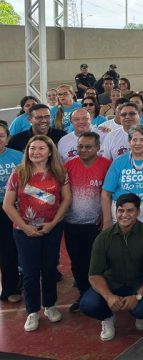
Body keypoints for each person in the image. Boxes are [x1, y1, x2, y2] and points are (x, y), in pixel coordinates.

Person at [2, 135, 71, 331]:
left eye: (41, 148)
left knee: (50, 268)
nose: (36, 152)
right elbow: (8, 205)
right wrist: (25, 228)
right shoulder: (19, 173)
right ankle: (32, 311)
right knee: (30, 272)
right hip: (24, 232)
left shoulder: (59, 172)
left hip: (52, 229)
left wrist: (52, 224)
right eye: (32, 149)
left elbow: (66, 200)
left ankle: (50, 305)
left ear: (50, 152)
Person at [80, 193, 143, 341]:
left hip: (138, 284)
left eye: (130, 211)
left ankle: (141, 314)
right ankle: (107, 316)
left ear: (138, 212)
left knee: (141, 310)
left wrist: (138, 296)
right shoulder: (103, 238)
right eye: (120, 210)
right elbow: (94, 275)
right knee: (87, 304)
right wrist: (108, 296)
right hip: (112, 283)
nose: (124, 215)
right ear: (115, 211)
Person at [63, 132, 111, 312]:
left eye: (88, 146)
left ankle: (100, 293)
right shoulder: (68, 166)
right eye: (80, 146)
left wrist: (106, 215)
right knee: (78, 262)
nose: (83, 150)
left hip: (96, 225)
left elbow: (111, 193)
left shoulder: (107, 165)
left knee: (98, 261)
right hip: (72, 224)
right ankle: (84, 293)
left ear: (98, 148)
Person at [101, 125, 143, 227]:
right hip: (122, 214)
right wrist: (107, 220)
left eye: (142, 140)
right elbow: (106, 193)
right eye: (134, 140)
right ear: (129, 142)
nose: (138, 143)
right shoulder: (118, 162)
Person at [0, 123, 23, 303]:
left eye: (1, 136)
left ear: (7, 138)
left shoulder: (18, 157)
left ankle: (11, 287)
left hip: (13, 207)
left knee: (10, 248)